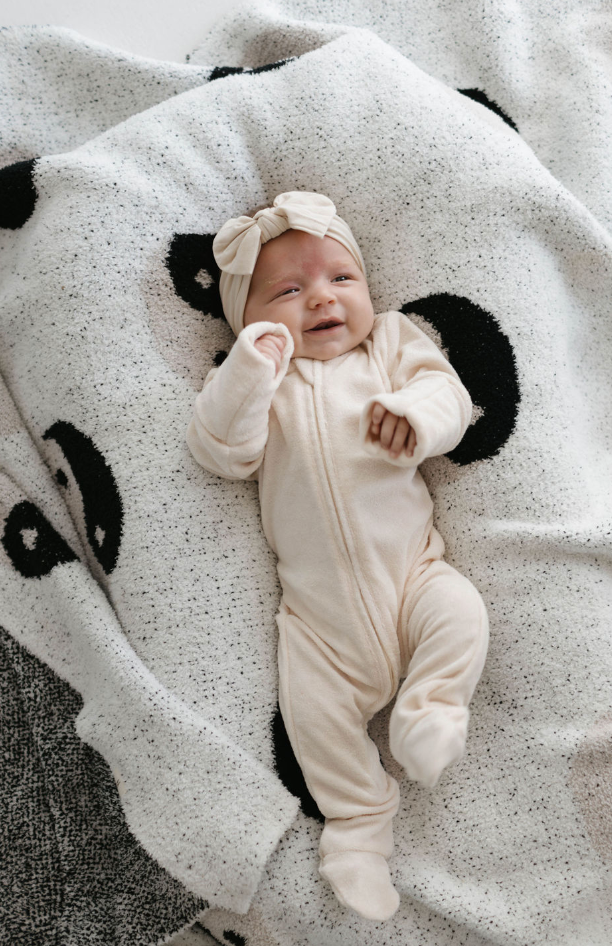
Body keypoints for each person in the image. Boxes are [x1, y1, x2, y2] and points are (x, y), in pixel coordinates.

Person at [186, 192, 489, 922]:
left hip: (413, 574)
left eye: (340, 280)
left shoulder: (387, 342)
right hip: (319, 619)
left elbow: (445, 393)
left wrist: (416, 417)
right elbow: (220, 451)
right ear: (249, 318)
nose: (321, 298)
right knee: (311, 716)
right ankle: (358, 827)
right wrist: (247, 373)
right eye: (289, 291)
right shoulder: (261, 379)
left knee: (462, 612)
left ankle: (432, 706)